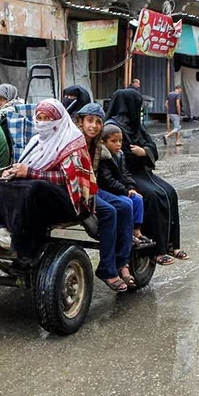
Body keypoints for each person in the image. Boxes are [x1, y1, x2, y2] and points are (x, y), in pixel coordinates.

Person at [0, 99, 97, 266]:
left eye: (47, 118)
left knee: (34, 188)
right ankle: (1, 230)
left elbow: (68, 179)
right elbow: (26, 166)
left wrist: (30, 173)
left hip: (70, 202)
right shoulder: (37, 140)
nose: (42, 123)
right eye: (39, 118)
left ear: (58, 119)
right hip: (42, 194)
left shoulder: (71, 141)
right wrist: (13, 172)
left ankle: (23, 246)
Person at [104, 88, 188, 266]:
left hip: (142, 172)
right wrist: (138, 152)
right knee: (153, 196)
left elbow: (151, 145)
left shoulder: (135, 125)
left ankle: (171, 244)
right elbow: (121, 154)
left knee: (170, 192)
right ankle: (156, 250)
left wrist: (145, 151)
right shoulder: (113, 127)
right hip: (125, 174)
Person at [74, 103, 135, 291]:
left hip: (92, 188)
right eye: (89, 121)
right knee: (109, 212)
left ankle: (122, 263)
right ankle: (107, 269)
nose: (93, 126)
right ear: (81, 122)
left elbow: (94, 174)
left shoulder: (98, 145)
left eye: (98, 122)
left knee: (126, 206)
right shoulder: (75, 141)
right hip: (76, 189)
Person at [97, 123, 150, 246]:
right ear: (104, 142)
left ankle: (136, 231)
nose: (118, 144)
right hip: (108, 191)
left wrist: (131, 187)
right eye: (113, 141)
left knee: (137, 199)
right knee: (127, 203)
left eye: (120, 141)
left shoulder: (120, 155)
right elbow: (107, 181)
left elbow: (125, 174)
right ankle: (125, 234)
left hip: (119, 189)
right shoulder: (104, 157)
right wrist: (125, 191)